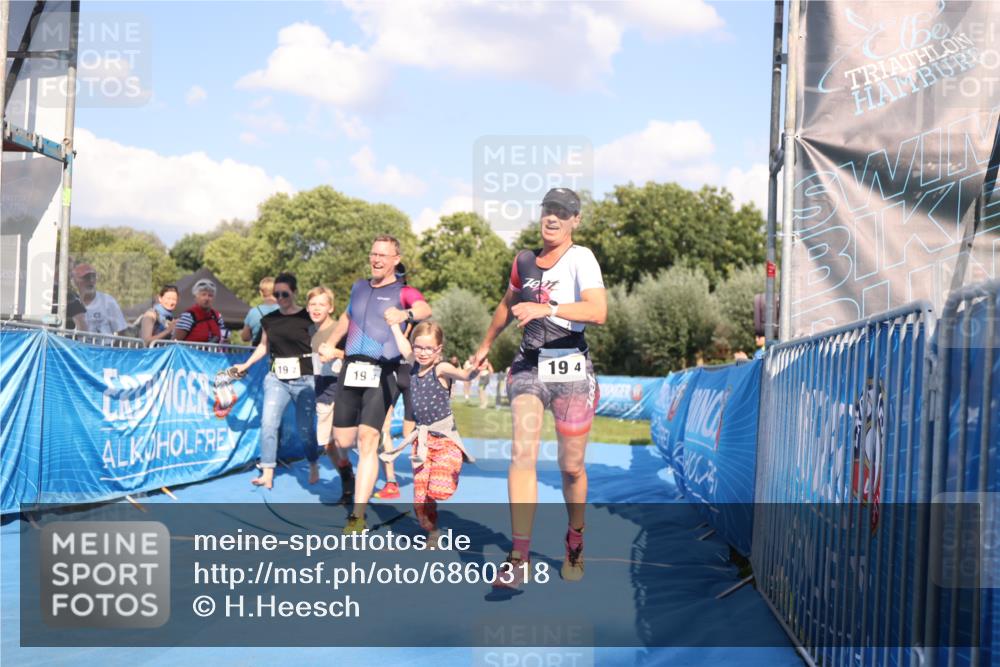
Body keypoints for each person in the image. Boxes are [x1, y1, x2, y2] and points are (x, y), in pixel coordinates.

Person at [471, 187, 606, 586]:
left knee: (571, 466)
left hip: (572, 372)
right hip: (529, 366)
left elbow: (598, 312)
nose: (553, 218)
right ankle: (519, 556)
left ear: (575, 221)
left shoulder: (582, 258)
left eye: (563, 213)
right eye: (549, 210)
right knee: (522, 452)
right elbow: (506, 301)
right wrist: (484, 345)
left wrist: (546, 308)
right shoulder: (524, 261)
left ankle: (575, 535)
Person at [326, 235, 431, 534]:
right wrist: (331, 342)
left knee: (368, 439)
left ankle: (357, 516)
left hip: (383, 369)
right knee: (343, 441)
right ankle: (350, 471)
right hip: (351, 366)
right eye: (373, 254)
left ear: (396, 259)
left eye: (383, 255)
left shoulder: (404, 290)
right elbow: (348, 317)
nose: (377, 259)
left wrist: (404, 314)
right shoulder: (358, 287)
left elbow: (424, 309)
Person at [381, 321, 480, 545]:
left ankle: (452, 469)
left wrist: (474, 370)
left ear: (438, 350)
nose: (423, 353)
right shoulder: (413, 363)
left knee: (439, 489)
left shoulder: (441, 369)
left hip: (445, 442)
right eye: (419, 347)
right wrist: (395, 326)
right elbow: (403, 345)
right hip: (422, 443)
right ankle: (432, 530)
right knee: (420, 500)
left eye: (429, 349)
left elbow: (464, 375)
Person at [232, 273, 319, 489]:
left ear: (294, 292)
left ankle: (313, 462)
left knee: (305, 429)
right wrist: (245, 365)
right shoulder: (269, 320)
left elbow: (321, 342)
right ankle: (268, 471)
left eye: (284, 293)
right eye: (276, 294)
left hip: (304, 379)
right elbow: (263, 347)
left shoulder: (307, 318)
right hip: (276, 378)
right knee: (268, 422)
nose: (280, 297)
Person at [373, 263, 418, 501]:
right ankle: (391, 481)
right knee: (384, 427)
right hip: (387, 370)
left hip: (409, 373)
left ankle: (421, 477)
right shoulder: (378, 306)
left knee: (411, 431)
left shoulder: (412, 309)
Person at [307, 285, 355, 498]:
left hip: (343, 387)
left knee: (343, 438)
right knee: (326, 444)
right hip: (322, 389)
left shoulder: (340, 328)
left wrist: (336, 352)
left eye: (322, 304)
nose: (316, 308)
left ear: (331, 308)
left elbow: (354, 356)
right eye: (312, 304)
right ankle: (346, 474)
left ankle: (353, 484)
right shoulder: (309, 330)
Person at [71, 263, 127, 334]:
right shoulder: (71, 302)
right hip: (78, 345)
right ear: (75, 281)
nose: (91, 281)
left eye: (93, 277)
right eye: (86, 278)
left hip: (104, 344)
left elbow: (121, 331)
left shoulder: (108, 301)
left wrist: (111, 345)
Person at [174, 279, 228, 343]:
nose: (207, 298)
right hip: (190, 352)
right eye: (203, 295)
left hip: (212, 352)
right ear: (196, 297)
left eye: (210, 295)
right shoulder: (189, 316)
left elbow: (223, 338)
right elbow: (175, 341)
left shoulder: (217, 317)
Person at [241, 277, 280, 345]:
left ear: (261, 293)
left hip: (258, 352)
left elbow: (245, 337)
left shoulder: (253, 312)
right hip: (279, 353)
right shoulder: (285, 310)